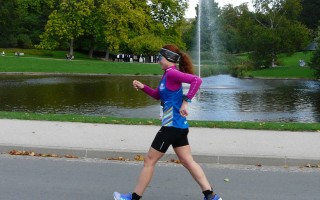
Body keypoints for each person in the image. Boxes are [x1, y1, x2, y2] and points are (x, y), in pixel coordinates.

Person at [113, 44, 222, 200]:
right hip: (178, 127)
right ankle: (211, 196)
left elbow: (197, 81)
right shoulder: (167, 75)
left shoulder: (172, 74)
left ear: (168, 58)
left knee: (149, 160)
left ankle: (133, 198)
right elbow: (158, 95)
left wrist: (185, 102)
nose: (158, 60)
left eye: (160, 57)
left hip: (171, 127)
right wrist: (143, 86)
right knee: (187, 161)